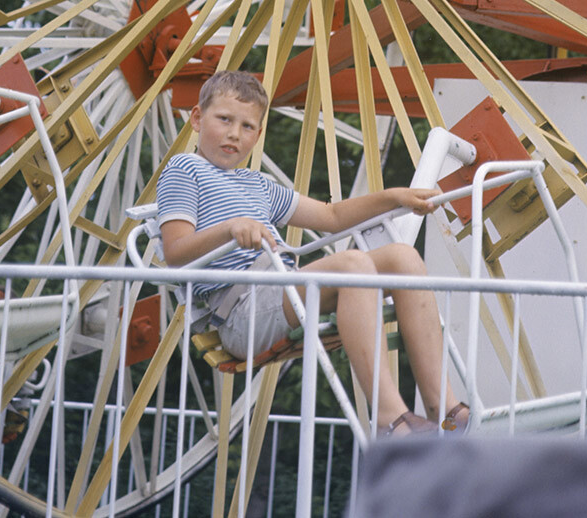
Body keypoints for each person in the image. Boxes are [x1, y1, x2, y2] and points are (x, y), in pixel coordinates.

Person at [157, 69, 470, 437]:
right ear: (197, 118)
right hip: (240, 312)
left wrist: (394, 196)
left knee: (402, 256)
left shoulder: (258, 184)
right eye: (224, 120)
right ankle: (393, 419)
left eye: (246, 127)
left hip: (281, 291)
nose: (233, 134)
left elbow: (331, 216)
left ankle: (445, 409)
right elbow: (175, 253)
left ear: (258, 135)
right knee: (352, 264)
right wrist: (229, 228)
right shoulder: (184, 169)